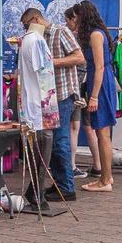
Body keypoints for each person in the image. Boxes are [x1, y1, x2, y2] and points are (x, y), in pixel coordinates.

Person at [14, 8, 63, 211]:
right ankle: (37, 194)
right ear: (36, 19)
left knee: (40, 151)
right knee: (43, 151)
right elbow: (41, 71)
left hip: (38, 103)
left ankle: (35, 191)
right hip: (41, 105)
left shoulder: (28, 40)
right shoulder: (35, 40)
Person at [65, 1, 117, 193]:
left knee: (102, 133)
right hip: (103, 82)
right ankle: (106, 176)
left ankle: (105, 180)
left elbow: (100, 67)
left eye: (76, 16)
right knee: (102, 133)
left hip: (101, 85)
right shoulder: (98, 33)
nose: (74, 19)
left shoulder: (95, 35)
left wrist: (94, 96)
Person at [46, 11, 86, 202]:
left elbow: (79, 58)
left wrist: (51, 63)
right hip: (50, 95)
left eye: (26, 25)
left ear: (35, 20)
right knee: (54, 141)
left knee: (60, 140)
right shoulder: (41, 37)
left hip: (63, 94)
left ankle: (66, 187)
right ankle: (60, 183)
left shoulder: (60, 31)